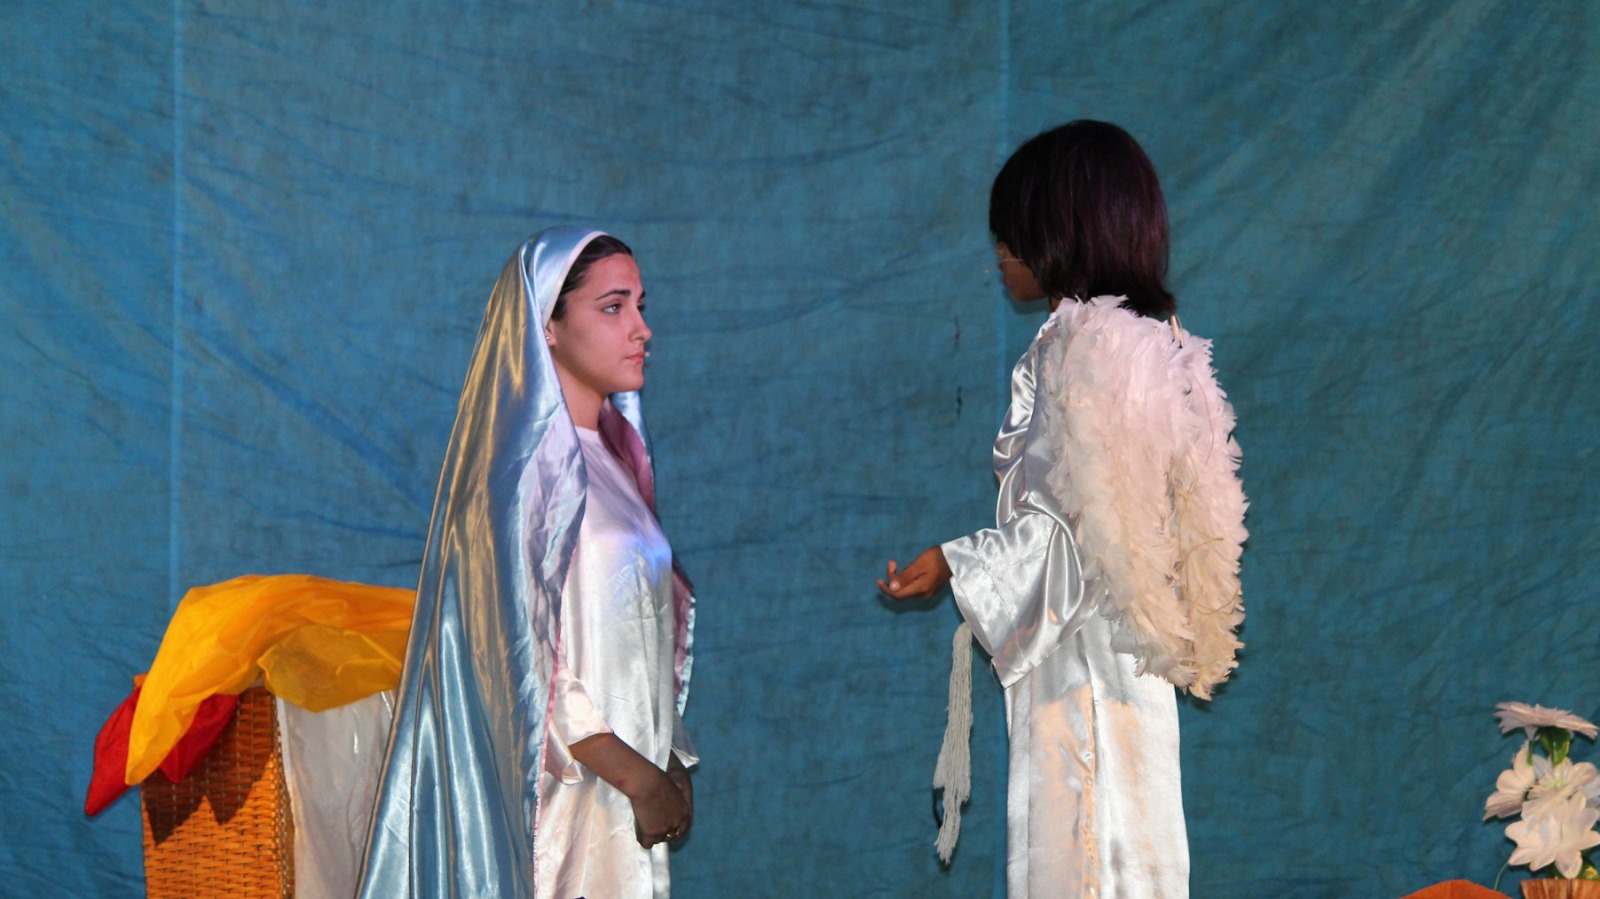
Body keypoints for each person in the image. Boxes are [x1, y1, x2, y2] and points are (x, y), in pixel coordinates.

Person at [877, 120, 1247, 898]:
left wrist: (957, 562)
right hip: (1124, 666)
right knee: (1132, 848)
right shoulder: (1150, 344)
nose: (998, 253)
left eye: (1009, 233)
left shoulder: (1077, 350)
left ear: (1057, 233)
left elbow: (1072, 535)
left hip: (1083, 675)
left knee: (1087, 851)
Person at [358, 227, 697, 899]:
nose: (642, 328)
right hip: (556, 810)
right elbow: (515, 653)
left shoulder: (615, 467)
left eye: (640, 305)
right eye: (613, 306)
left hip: (625, 803)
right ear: (548, 326)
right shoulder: (517, 478)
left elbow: (637, 631)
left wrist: (669, 756)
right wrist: (635, 774)